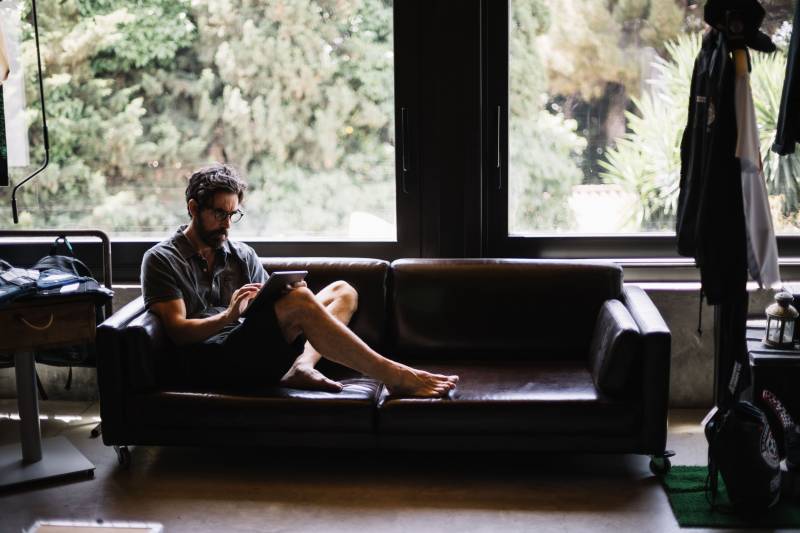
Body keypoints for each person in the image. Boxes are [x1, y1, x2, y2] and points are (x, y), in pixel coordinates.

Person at [142, 163, 458, 397]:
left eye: (233, 215)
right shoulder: (161, 259)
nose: (227, 224)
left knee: (342, 291)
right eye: (218, 214)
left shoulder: (241, 254)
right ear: (193, 208)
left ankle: (301, 366)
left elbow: (264, 311)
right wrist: (229, 315)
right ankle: (394, 374)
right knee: (300, 303)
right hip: (210, 361)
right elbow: (179, 333)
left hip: (249, 350)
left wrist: (285, 297)